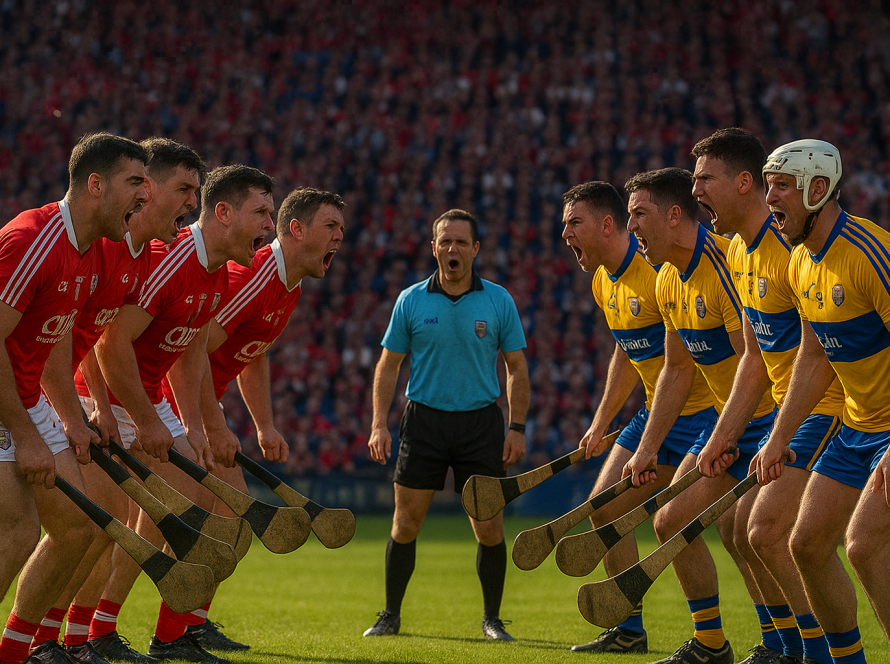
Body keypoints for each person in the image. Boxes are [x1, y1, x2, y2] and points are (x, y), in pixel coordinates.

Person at [94, 164, 276, 664]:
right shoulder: (174, 258)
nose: (270, 225)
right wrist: (149, 419)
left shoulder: (216, 269)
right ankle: (87, 632)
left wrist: (196, 425)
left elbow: (191, 345)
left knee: (181, 509)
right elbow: (109, 341)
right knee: (97, 527)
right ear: (225, 213)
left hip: (148, 400)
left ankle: (147, 632)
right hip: (108, 398)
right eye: (262, 213)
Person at [36, 137, 205, 664]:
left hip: (76, 400)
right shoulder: (104, 246)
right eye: (184, 189)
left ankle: (73, 639)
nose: (192, 204)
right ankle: (47, 641)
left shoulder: (142, 254)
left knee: (96, 528)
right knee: (75, 529)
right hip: (53, 396)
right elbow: (75, 337)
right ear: (146, 189)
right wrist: (90, 409)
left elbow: (89, 333)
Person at [163, 186, 345, 650]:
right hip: (174, 404)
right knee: (215, 522)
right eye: (330, 226)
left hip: (199, 407)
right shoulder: (254, 275)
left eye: (341, 228)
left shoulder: (290, 284)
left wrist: (265, 424)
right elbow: (190, 348)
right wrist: (208, 425)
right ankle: (162, 634)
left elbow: (254, 353)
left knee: (230, 523)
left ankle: (185, 628)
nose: (339, 237)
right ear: (296, 230)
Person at [0, 133, 149, 664]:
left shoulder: (87, 250)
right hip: (6, 405)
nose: (144, 195)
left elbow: (56, 337)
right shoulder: (33, 239)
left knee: (77, 527)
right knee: (18, 532)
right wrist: (25, 435)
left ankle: (17, 651)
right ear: (95, 185)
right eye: (135, 182)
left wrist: (67, 416)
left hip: (25, 400)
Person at [690, 128, 837, 664]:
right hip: (786, 412)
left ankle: (813, 651)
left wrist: (776, 433)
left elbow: (819, 353)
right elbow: (754, 358)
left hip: (827, 409)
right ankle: (786, 645)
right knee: (739, 529)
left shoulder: (789, 248)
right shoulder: (736, 250)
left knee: (766, 530)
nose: (695, 190)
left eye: (705, 179)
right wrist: (724, 435)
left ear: (743, 183)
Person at [622, 168, 776, 664]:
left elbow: (756, 362)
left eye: (638, 214)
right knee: (670, 521)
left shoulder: (723, 264)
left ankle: (786, 646)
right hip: (727, 421)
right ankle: (712, 644)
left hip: (767, 418)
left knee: (750, 535)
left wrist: (729, 433)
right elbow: (677, 368)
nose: (631, 227)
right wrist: (647, 446)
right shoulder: (667, 277)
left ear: (673, 216)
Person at [560, 181, 717, 653]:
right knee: (603, 510)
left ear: (607, 225)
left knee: (682, 524)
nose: (565, 233)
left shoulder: (655, 269)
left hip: (703, 414)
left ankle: (719, 637)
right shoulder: (601, 281)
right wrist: (600, 420)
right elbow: (627, 353)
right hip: (656, 412)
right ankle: (629, 631)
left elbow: (683, 363)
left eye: (574, 223)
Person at [364, 209, 529, 641]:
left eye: (461, 242)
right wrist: (379, 424)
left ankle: (492, 620)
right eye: (445, 241)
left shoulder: (498, 300)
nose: (452, 248)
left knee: (488, 527)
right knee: (405, 524)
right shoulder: (411, 300)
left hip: (481, 425)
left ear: (475, 249)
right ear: (434, 247)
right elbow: (388, 365)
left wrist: (517, 427)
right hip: (424, 423)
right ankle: (390, 615)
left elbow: (516, 368)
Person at [755, 139, 890, 664]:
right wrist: (779, 437)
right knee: (805, 545)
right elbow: (814, 359)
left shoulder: (869, 253)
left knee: (862, 546)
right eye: (768, 186)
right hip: (856, 428)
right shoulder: (800, 262)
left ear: (818, 188)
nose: (770, 198)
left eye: (781, 186)